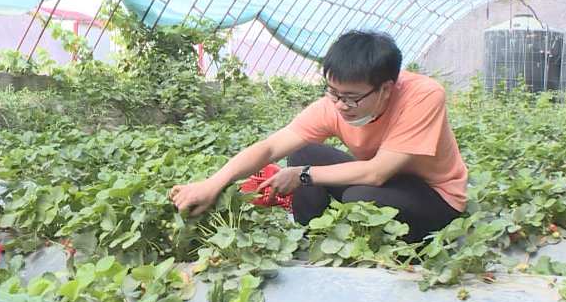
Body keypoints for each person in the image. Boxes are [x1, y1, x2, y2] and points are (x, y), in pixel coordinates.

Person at [170, 30, 467, 244]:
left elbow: (377, 173)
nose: (340, 105)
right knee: (304, 152)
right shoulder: (333, 106)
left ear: (386, 89)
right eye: (333, 92)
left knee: (360, 196)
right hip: (387, 184)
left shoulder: (423, 96)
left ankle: (406, 244)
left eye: (351, 97)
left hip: (436, 199)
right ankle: (311, 238)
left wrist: (302, 176)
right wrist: (212, 184)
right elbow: (271, 146)